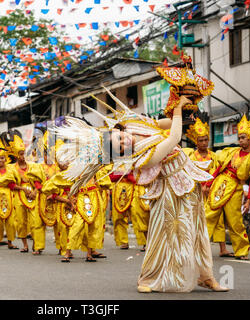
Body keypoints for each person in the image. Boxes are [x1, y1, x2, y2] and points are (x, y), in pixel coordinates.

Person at [52, 55, 227, 292]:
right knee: (166, 235)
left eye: (119, 137)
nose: (124, 140)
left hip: (187, 180)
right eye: (120, 146)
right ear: (120, 154)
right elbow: (174, 138)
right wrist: (177, 110)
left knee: (197, 230)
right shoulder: (139, 158)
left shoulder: (133, 126)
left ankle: (206, 275)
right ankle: (149, 278)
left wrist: (184, 116)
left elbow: (162, 125)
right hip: (167, 193)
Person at [204, 114, 250, 260]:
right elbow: (218, 169)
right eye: (239, 138)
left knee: (235, 220)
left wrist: (249, 200)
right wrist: (208, 184)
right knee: (208, 215)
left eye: (243, 137)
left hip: (236, 189)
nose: (240, 140)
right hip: (220, 184)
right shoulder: (231, 152)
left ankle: (242, 250)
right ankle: (197, 247)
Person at [183, 118, 233, 257]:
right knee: (198, 220)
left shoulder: (214, 156)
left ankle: (223, 248)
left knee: (219, 220)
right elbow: (189, 173)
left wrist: (211, 186)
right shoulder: (191, 156)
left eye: (206, 140)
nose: (204, 143)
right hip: (197, 192)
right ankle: (198, 248)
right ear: (195, 141)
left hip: (213, 191)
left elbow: (219, 171)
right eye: (201, 140)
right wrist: (201, 187)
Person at [0, 135, 19, 250]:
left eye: (2, 158)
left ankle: (10, 242)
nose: (0, 160)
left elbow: (17, 181)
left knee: (11, 221)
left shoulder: (11, 169)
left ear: (6, 158)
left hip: (9, 194)